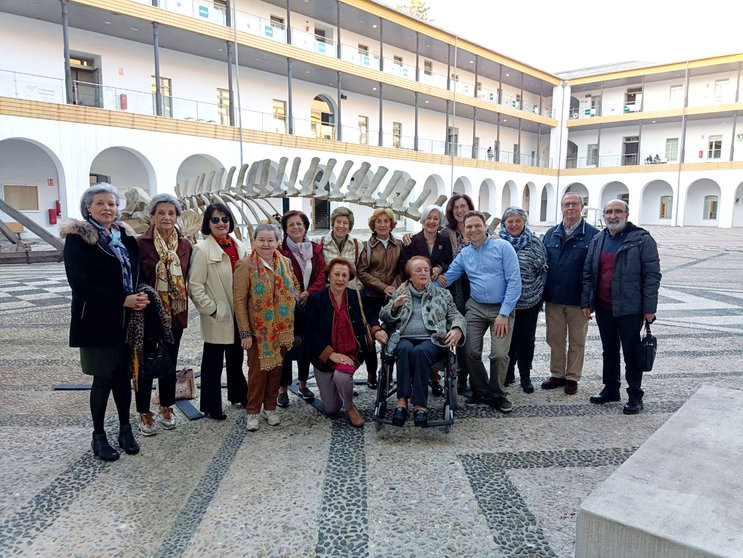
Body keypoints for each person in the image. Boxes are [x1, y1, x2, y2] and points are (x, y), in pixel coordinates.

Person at [62, 183, 147, 461]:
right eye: (100, 203)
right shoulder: (78, 238)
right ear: (88, 207)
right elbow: (80, 284)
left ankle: (125, 430)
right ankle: (98, 435)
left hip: (126, 320)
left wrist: (139, 295)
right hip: (96, 320)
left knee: (124, 377)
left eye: (111, 203)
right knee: (103, 378)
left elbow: (135, 272)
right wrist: (121, 299)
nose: (107, 208)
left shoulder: (124, 235)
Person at [582, 200, 661, 415]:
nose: (612, 216)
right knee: (609, 350)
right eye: (608, 212)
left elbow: (652, 275)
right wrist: (587, 302)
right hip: (604, 307)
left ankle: (635, 395)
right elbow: (589, 273)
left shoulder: (641, 239)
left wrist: (649, 307)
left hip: (630, 308)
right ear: (604, 215)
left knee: (631, 353)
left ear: (627, 213)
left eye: (618, 211)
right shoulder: (599, 239)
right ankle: (611, 389)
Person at [439, 211, 521, 412]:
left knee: (499, 355)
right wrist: (421, 283)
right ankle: (481, 390)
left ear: (485, 227)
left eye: (477, 225)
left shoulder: (503, 247)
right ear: (464, 230)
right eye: (469, 227)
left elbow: (514, 282)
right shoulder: (465, 254)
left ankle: (497, 393)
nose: (473, 230)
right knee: (469, 351)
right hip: (475, 307)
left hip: (501, 307)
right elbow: (448, 278)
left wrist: (503, 314)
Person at [380, 256, 465, 426]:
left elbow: (456, 315)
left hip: (432, 339)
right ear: (410, 276)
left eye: (426, 269)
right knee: (404, 350)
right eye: (418, 270)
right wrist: (394, 306)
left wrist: (457, 329)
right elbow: (384, 316)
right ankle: (402, 401)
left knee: (420, 351)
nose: (424, 273)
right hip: (404, 337)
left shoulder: (442, 293)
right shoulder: (400, 292)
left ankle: (420, 405)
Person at [304, 258, 388, 427]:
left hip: (351, 351)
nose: (340, 279)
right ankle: (339, 394)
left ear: (349, 278)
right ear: (329, 277)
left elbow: (370, 315)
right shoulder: (316, 299)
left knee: (341, 376)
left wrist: (376, 329)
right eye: (337, 274)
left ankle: (349, 406)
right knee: (332, 408)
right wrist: (330, 354)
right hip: (325, 357)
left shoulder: (355, 296)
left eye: (345, 275)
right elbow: (309, 331)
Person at [134, 193, 192, 435]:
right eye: (161, 213)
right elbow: (135, 278)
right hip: (148, 314)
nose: (166, 217)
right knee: (146, 362)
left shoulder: (185, 244)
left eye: (171, 213)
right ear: (152, 216)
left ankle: (166, 406)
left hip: (175, 315)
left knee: (169, 362)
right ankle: (143, 411)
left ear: (177, 216)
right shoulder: (140, 244)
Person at [233, 223, 298, 431]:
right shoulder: (245, 265)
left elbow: (295, 285)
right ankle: (252, 411)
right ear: (254, 241)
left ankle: (270, 408)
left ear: (277, 242)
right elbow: (240, 301)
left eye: (270, 240)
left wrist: (289, 300)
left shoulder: (285, 262)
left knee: (277, 370)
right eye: (261, 239)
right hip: (256, 332)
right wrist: (245, 332)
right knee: (257, 372)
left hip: (281, 329)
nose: (266, 244)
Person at [188, 203, 248, 420]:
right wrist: (212, 310)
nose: (221, 223)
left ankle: (238, 394)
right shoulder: (202, 250)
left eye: (225, 218)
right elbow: (195, 286)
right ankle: (211, 405)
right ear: (208, 223)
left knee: (236, 357)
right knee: (212, 363)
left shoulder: (240, 246)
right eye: (215, 219)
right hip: (218, 315)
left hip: (238, 314)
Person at [541, 192, 599, 395]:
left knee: (577, 340)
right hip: (554, 298)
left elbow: (594, 271)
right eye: (566, 205)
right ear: (561, 208)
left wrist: (589, 301)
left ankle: (572, 376)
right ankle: (557, 374)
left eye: (575, 204)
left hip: (578, 300)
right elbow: (543, 266)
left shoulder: (593, 235)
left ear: (582, 207)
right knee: (555, 339)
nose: (570, 208)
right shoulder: (551, 234)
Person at [398, 204, 453, 396]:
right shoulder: (412, 240)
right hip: (416, 292)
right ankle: (414, 380)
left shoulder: (444, 240)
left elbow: (448, 260)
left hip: (437, 291)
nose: (432, 222)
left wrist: (438, 268)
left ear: (440, 222)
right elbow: (404, 265)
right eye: (429, 218)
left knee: (433, 330)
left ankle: (434, 378)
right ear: (422, 220)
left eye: (436, 218)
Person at [277, 210, 326, 407]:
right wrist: (293, 294)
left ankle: (303, 384)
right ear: (286, 229)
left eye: (299, 224)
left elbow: (322, 275)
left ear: (305, 226)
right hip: (287, 307)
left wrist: (309, 292)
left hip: (310, 304)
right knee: (286, 346)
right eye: (291, 225)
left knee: (306, 345)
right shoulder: (280, 251)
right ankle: (282, 389)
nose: (296, 227)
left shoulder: (315, 249)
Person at [499, 207, 548, 394]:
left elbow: (543, 269)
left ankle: (525, 375)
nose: (513, 225)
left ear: (524, 223)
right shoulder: (497, 242)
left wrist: (540, 295)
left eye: (517, 221)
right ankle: (508, 372)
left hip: (530, 300)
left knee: (527, 339)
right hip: (504, 302)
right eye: (509, 221)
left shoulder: (535, 243)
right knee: (507, 339)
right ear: (504, 223)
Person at [357, 207, 402, 389]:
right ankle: (371, 374)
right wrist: (383, 287)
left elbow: (403, 269)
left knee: (392, 335)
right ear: (373, 225)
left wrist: (394, 288)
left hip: (393, 298)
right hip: (372, 297)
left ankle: (388, 373)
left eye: (386, 221)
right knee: (371, 336)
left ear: (391, 224)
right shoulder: (366, 247)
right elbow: (362, 271)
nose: (383, 225)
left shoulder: (399, 244)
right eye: (379, 221)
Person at [444, 194, 475, 394]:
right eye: (456, 207)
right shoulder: (446, 233)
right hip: (452, 290)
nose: (460, 210)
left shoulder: (478, 229)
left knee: (471, 337)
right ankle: (453, 376)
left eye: (463, 206)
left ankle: (466, 377)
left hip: (474, 289)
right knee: (454, 331)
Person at [317, 206, 362, 290]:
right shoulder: (319, 242)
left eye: (345, 223)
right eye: (338, 222)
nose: (341, 226)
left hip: (350, 292)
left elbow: (361, 270)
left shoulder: (357, 245)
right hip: (328, 293)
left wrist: (359, 286)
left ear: (350, 226)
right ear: (333, 224)